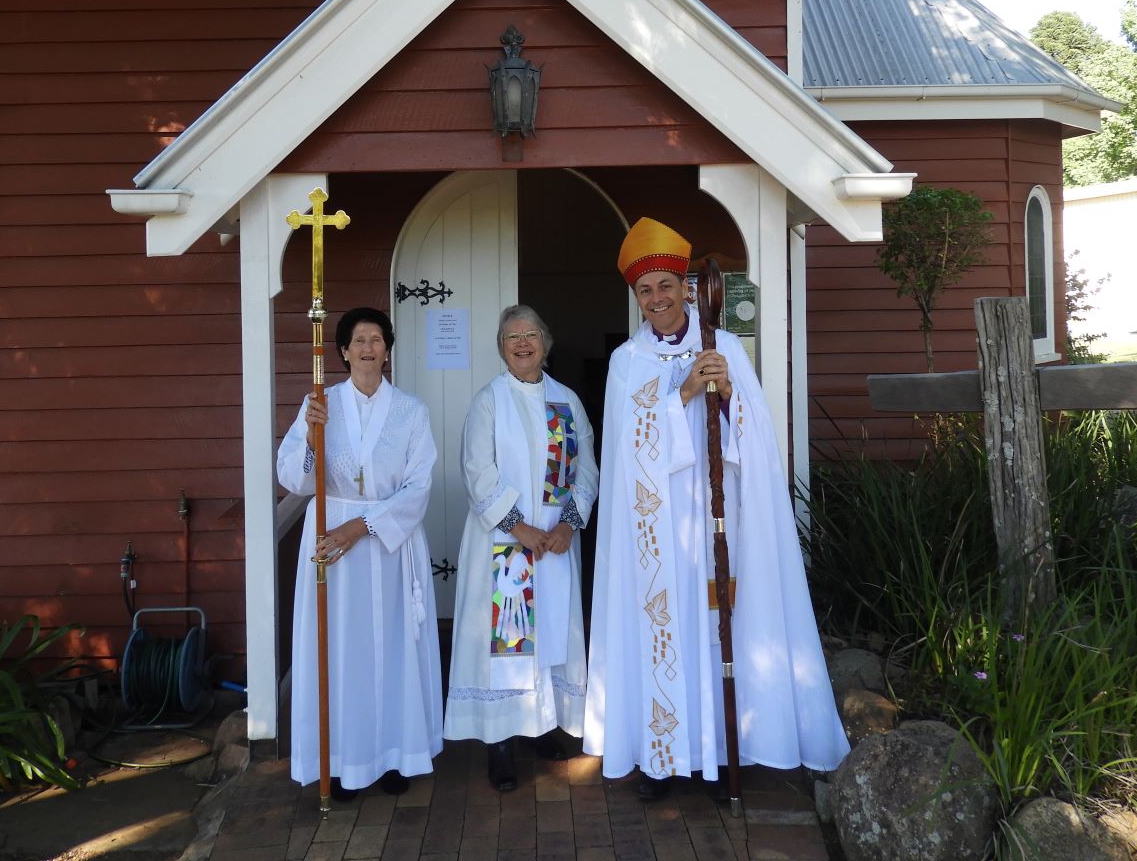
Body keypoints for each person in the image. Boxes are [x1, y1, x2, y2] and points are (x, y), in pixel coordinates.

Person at [583, 218, 849, 799]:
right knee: (665, 631)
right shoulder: (627, 361)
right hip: (657, 527)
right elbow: (626, 449)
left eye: (665, 287)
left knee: (716, 629)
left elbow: (756, 440)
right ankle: (662, 758)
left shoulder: (723, 345)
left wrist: (728, 396)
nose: (656, 300)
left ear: (686, 288)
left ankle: (720, 750)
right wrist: (680, 394)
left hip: (715, 517)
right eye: (644, 291)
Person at [276, 306, 443, 799]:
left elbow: (418, 486)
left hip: (388, 547)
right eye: (358, 341)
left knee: (391, 649)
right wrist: (310, 437)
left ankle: (393, 755)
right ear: (343, 352)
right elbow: (294, 478)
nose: (368, 348)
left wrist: (362, 525)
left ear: (387, 350)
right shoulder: (321, 404)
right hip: (332, 546)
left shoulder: (412, 411)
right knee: (338, 651)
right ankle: (341, 762)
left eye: (376, 339)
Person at [444, 304, 600, 791]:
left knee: (550, 637)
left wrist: (570, 524)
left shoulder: (567, 401)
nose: (523, 343)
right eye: (513, 336)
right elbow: (477, 470)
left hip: (554, 546)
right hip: (506, 551)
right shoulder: (489, 400)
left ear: (545, 343)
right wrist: (519, 526)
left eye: (531, 334)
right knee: (509, 645)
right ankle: (501, 742)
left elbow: (587, 469)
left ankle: (541, 725)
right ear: (501, 346)